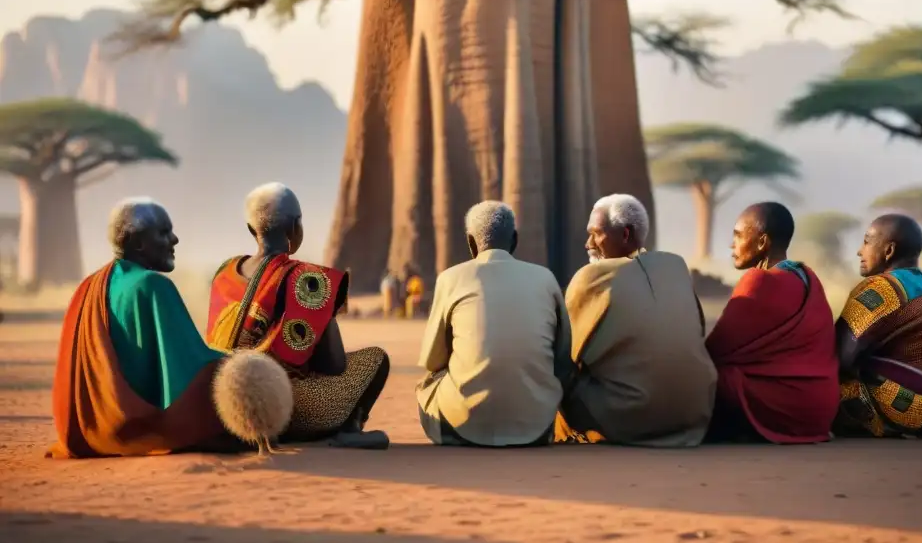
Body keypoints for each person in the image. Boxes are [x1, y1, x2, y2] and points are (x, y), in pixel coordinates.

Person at [49, 198, 290, 459]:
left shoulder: (90, 285)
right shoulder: (152, 284)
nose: (174, 240)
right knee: (248, 380)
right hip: (140, 428)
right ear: (139, 243)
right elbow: (190, 367)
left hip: (93, 429)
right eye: (164, 233)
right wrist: (249, 358)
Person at [206, 183, 390, 449]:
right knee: (375, 359)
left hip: (223, 408)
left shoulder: (224, 273)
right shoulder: (308, 279)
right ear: (295, 228)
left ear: (251, 229)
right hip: (281, 412)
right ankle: (348, 428)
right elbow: (334, 365)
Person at [556, 194, 717, 446]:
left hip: (630, 417)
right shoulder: (675, 267)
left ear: (625, 234)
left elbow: (566, 351)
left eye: (596, 233)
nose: (588, 243)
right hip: (693, 413)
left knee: (557, 370)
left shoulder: (591, 277)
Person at [417, 201, 572, 446]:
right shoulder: (546, 278)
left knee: (427, 383)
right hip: (536, 426)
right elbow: (563, 354)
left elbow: (431, 360)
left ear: (471, 242)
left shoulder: (450, 278)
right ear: (515, 240)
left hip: (464, 425)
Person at [705, 203, 839, 444]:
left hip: (783, 406)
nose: (731, 245)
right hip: (820, 410)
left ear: (762, 242)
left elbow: (715, 350)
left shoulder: (758, 281)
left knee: (699, 375)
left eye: (737, 236)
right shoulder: (809, 278)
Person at [834, 214, 922, 439]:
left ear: (889, 250)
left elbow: (840, 358)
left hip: (913, 410)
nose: (860, 251)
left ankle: (878, 424)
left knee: (830, 381)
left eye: (867, 241)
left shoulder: (880, 290)